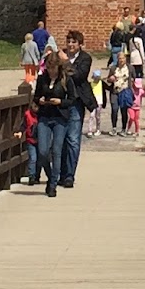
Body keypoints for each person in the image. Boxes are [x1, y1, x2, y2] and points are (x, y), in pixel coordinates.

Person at [30, 50, 70, 196]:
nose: (51, 71)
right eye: (48, 68)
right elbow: (35, 97)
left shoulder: (65, 79)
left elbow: (72, 99)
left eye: (53, 68)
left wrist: (60, 101)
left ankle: (52, 184)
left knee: (57, 151)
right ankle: (50, 175)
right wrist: (39, 100)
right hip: (45, 116)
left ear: (58, 67)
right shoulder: (42, 79)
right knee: (42, 151)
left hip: (60, 117)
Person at [58, 30, 91, 186]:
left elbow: (79, 76)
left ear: (80, 44)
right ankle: (61, 173)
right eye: (69, 42)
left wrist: (66, 63)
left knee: (73, 139)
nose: (70, 45)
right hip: (60, 102)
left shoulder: (85, 58)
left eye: (74, 42)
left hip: (76, 102)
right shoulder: (60, 55)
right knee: (60, 140)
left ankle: (70, 175)